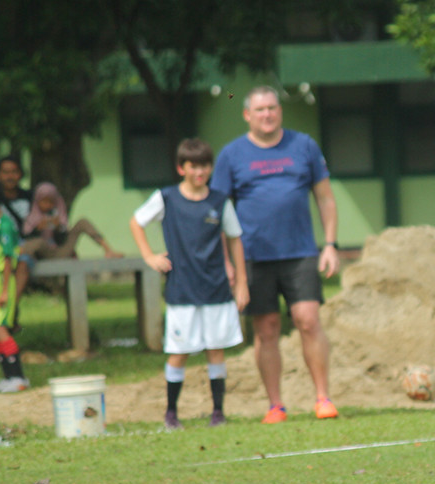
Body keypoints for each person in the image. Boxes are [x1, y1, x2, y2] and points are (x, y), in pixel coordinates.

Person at [211, 85, 341, 424]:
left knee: (308, 321)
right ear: (247, 115)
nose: (267, 114)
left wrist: (329, 244)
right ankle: (275, 406)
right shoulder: (231, 155)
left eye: (272, 108)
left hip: (300, 252)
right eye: (260, 109)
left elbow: (325, 198)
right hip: (253, 257)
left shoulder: (304, 146)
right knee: (266, 329)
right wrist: (227, 261)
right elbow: (218, 212)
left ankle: (323, 399)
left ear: (279, 111)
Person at [130, 138, 250, 429]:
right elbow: (136, 222)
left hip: (216, 289)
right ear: (181, 168)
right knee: (179, 352)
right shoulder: (166, 198)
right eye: (194, 166)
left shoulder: (220, 201)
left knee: (216, 349)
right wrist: (149, 256)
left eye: (205, 165)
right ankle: (171, 414)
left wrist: (242, 282)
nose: (200, 171)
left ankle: (217, 413)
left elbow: (235, 240)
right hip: (182, 290)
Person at [14, 182, 123, 298]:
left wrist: (59, 229)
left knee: (82, 222)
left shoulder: (59, 214)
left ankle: (108, 250)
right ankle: (13, 261)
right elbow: (26, 237)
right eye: (43, 201)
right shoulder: (31, 218)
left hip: (60, 251)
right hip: (42, 254)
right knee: (37, 243)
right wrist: (37, 229)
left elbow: (63, 239)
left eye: (50, 202)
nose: (47, 205)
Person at [0, 200, 28, 392]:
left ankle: (18, 377)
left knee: (0, 329)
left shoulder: (5, 225)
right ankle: (8, 377)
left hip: (2, 282)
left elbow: (8, 259)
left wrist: (6, 289)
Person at [0, 157, 32, 231]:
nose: (10, 176)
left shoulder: (31, 198)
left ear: (20, 174)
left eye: (14, 172)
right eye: (5, 172)